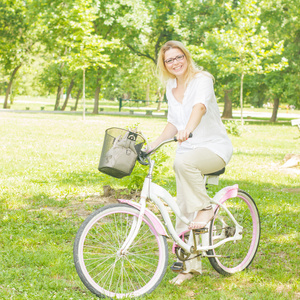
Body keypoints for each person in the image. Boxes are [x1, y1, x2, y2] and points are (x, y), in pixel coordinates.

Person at [149, 41, 233, 285]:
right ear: (164, 65)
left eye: (178, 57)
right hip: (187, 152)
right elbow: (172, 123)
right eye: (169, 60)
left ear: (186, 56)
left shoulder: (202, 79)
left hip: (213, 148)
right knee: (183, 206)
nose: (175, 63)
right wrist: (152, 145)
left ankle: (206, 207)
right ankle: (190, 266)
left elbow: (199, 107)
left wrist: (188, 129)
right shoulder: (170, 86)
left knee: (184, 168)